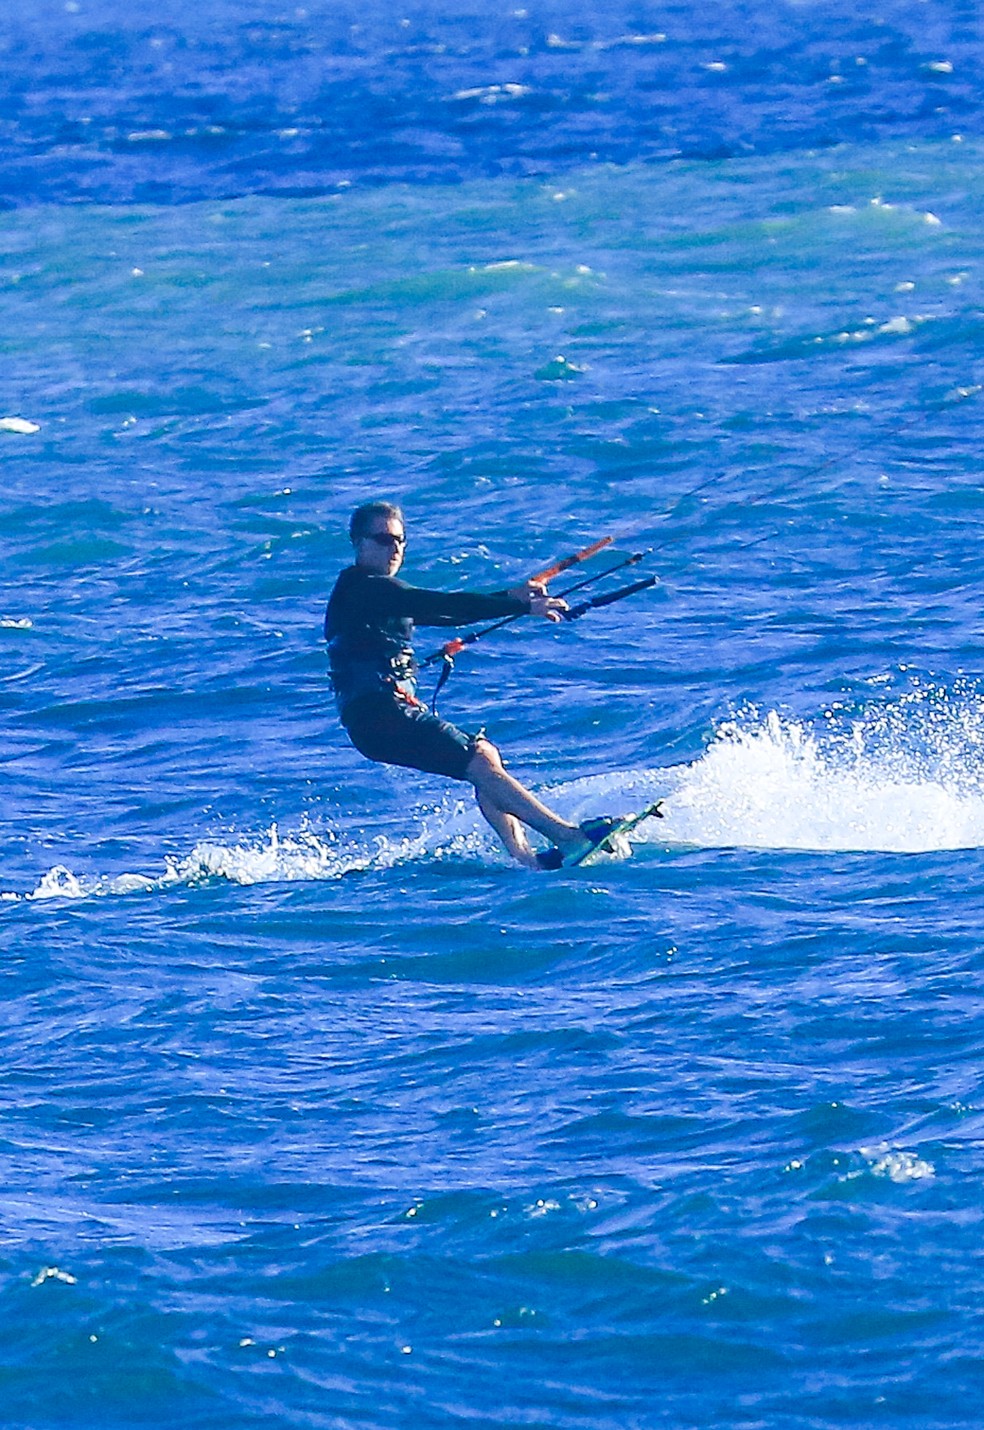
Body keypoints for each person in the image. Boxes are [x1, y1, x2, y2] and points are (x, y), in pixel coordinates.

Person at [324, 500, 614, 869]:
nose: (394, 548)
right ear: (358, 543)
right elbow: (439, 602)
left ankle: (526, 860)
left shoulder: (381, 595)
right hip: (379, 714)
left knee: (485, 755)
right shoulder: (362, 589)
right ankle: (567, 837)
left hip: (381, 716)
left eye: (400, 540)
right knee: (477, 761)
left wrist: (512, 600)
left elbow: (443, 613)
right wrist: (518, 605)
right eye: (382, 539)